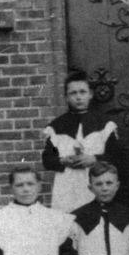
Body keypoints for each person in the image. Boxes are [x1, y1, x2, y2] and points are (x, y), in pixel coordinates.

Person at [42, 69, 121, 212]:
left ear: (90, 94)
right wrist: (63, 160)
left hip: (96, 181)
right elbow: (47, 159)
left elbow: (116, 156)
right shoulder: (56, 126)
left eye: (82, 92)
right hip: (67, 185)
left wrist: (94, 159)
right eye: (73, 93)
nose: (78, 97)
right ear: (66, 97)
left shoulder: (105, 124)